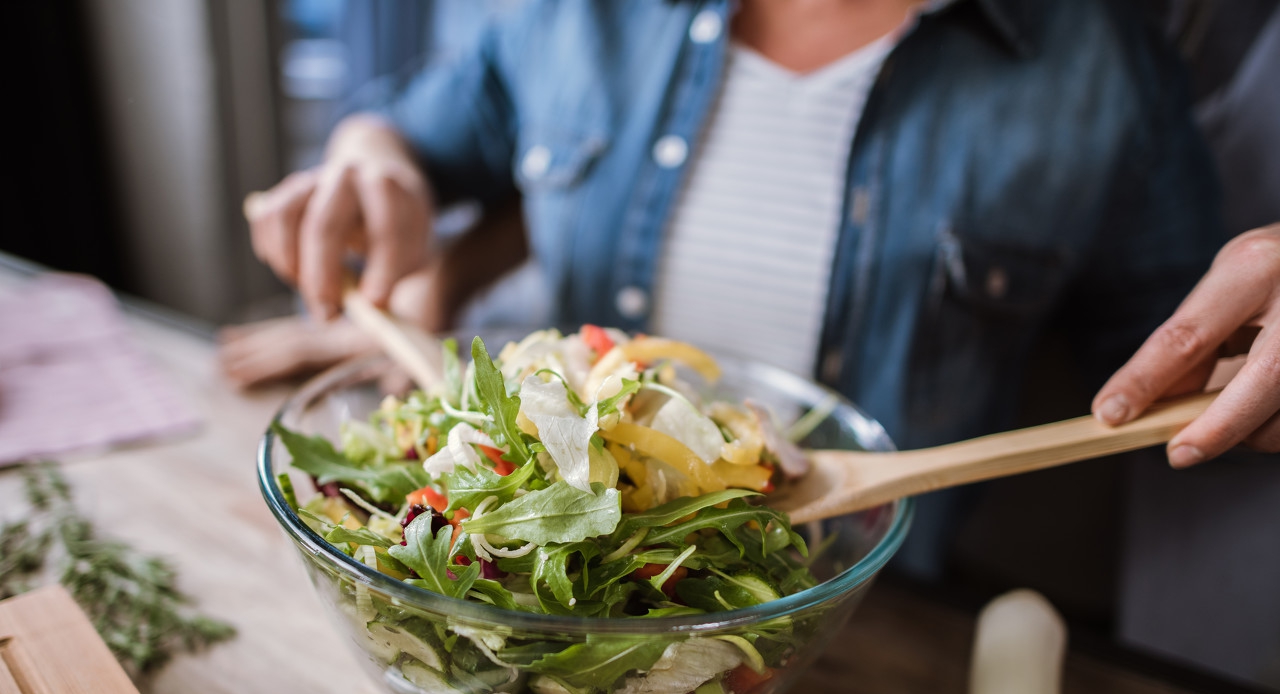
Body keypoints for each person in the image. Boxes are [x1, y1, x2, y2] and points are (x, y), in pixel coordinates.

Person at [243, 0, 1266, 575]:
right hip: (519, 607)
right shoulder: (568, 15)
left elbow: (1180, 365)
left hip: (863, 628)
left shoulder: (1100, 66)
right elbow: (415, 138)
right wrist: (370, 162)